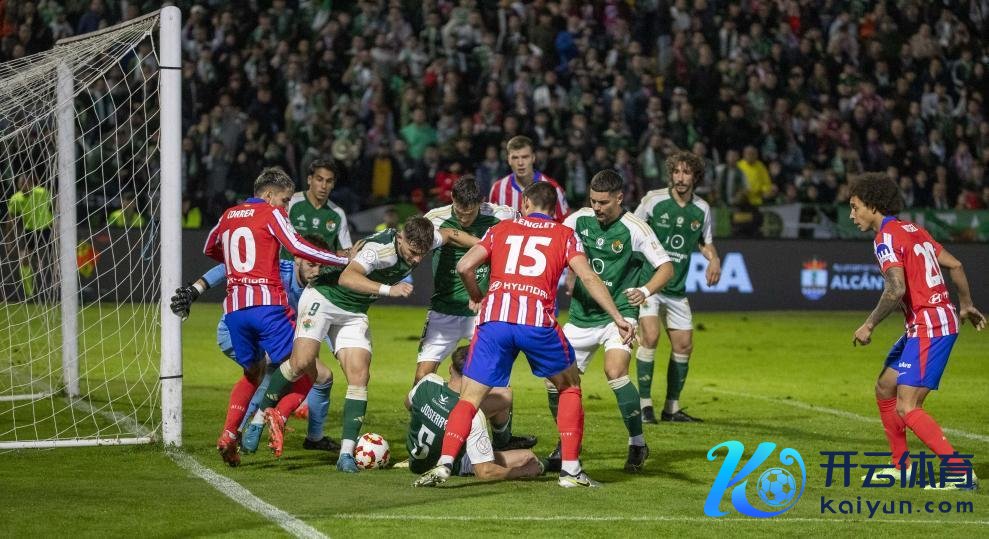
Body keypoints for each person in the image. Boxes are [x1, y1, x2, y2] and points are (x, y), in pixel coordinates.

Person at [413, 182, 634, 488]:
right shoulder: (565, 234)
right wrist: (618, 317)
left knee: (469, 398)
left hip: (495, 321)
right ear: (553, 209)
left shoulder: (500, 230)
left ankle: (444, 464)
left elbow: (464, 266)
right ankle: (570, 471)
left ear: (526, 203)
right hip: (536, 322)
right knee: (569, 386)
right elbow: (587, 276)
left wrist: (476, 295)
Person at [253, 216, 475, 471]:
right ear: (401, 238)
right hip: (325, 298)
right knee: (301, 362)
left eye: (421, 254)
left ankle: (346, 455)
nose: (416, 260)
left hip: (354, 311)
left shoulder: (424, 238)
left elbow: (450, 234)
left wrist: (485, 245)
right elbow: (347, 277)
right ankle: (258, 420)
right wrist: (388, 290)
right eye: (412, 253)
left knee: (360, 375)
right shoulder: (379, 251)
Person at [201, 167, 348, 466]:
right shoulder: (271, 213)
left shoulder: (228, 214)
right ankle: (277, 415)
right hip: (267, 307)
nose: (285, 207)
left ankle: (229, 435)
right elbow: (297, 246)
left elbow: (210, 247)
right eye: (284, 200)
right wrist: (339, 259)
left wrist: (242, 266)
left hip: (235, 310)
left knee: (252, 373)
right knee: (308, 369)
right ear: (268, 195)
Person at [848, 172, 984, 489]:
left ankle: (960, 473)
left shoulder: (885, 238)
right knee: (885, 387)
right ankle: (902, 467)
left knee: (907, 405)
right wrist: (965, 305)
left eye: (855, 207)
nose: (852, 215)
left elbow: (895, 289)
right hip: (928, 322)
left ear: (872, 204)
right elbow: (956, 265)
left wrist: (869, 324)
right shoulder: (913, 229)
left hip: (930, 325)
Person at [170, 234, 342, 454]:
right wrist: (196, 289)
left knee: (297, 375)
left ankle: (242, 434)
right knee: (285, 373)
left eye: (321, 266)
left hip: (266, 335)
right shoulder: (278, 269)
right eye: (311, 264)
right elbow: (228, 267)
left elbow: (320, 321)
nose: (316, 271)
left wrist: (336, 348)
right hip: (236, 331)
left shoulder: (318, 287)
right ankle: (256, 426)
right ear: (297, 258)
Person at [556, 170, 673, 472]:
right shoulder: (578, 220)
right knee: (557, 381)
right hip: (581, 314)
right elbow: (553, 246)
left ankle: (637, 443)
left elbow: (666, 267)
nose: (596, 207)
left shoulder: (636, 228)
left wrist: (645, 290)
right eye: (593, 201)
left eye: (603, 202)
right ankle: (566, 445)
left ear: (619, 198)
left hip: (619, 315)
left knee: (615, 371)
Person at [420, 176, 535, 452]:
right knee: (422, 378)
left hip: (483, 309)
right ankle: (425, 438)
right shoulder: (435, 218)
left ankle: (503, 441)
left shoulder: (503, 215)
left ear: (481, 203)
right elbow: (416, 240)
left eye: (469, 213)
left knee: (496, 378)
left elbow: (527, 233)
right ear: (452, 200)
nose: (464, 218)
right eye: (459, 212)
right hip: (444, 310)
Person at [634, 151, 721, 423]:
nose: (680, 178)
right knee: (650, 336)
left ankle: (671, 408)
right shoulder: (653, 200)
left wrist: (714, 258)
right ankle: (644, 405)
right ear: (670, 174)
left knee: (684, 345)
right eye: (676, 172)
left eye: (686, 172)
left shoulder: (702, 209)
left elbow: (705, 242)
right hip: (650, 283)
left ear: (696, 177)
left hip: (677, 288)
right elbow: (631, 230)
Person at [406, 346, 543, 481]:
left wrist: (436, 416)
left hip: (415, 461)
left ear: (450, 368)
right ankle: (548, 463)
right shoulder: (472, 415)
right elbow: (484, 471)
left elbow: (408, 404)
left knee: (503, 394)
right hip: (454, 463)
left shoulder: (428, 381)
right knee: (527, 457)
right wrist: (524, 471)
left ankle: (502, 444)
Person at [488, 135, 569, 221]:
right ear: (509, 160)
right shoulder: (498, 189)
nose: (520, 163)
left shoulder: (553, 189)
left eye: (525, 157)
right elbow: (491, 224)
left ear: (533, 158)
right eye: (515, 158)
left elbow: (564, 224)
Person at [284, 159, 352, 258]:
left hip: (323, 267)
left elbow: (344, 252)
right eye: (319, 180)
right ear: (309, 180)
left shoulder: (338, 214)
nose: (324, 186)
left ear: (333, 184)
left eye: (329, 181)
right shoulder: (290, 203)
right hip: (290, 265)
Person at [6, 175, 53, 299]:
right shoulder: (16, 199)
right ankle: (29, 293)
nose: (24, 186)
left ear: (32, 184)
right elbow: (10, 220)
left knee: (54, 258)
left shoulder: (42, 192)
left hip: (47, 228)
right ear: (18, 185)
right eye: (21, 184)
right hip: (30, 231)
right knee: (24, 259)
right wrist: (9, 241)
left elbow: (54, 206)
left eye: (27, 183)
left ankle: (57, 286)